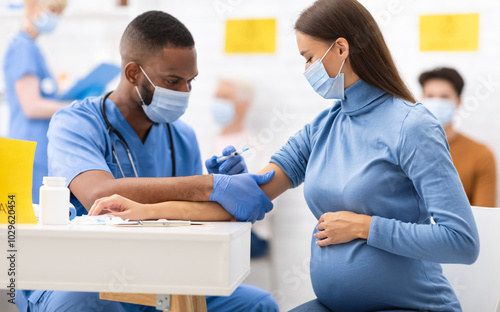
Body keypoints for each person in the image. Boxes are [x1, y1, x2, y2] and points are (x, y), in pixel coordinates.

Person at [91, 1, 480, 311]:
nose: (306, 69)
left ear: (341, 48)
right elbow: (247, 198)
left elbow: (461, 241)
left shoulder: (411, 126)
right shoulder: (323, 127)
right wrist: (144, 209)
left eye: (309, 57)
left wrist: (366, 227)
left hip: (408, 306)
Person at [15, 11, 278, 312]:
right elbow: (99, 194)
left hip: (154, 274)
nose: (185, 92)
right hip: (81, 276)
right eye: (173, 81)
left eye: (190, 82)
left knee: (258, 304)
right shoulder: (75, 122)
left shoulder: (182, 137)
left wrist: (223, 197)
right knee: (86, 303)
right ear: (132, 73)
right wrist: (209, 185)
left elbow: (191, 221)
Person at [3, 0, 68, 204]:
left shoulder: (32, 48)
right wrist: (74, 105)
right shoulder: (23, 49)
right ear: (32, 4)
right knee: (27, 226)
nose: (55, 17)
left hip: (37, 150)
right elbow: (32, 106)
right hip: (29, 152)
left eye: (59, 13)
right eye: (52, 10)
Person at [419, 67, 497, 207]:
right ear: (421, 100)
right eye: (430, 96)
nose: (437, 103)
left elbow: (484, 216)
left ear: (458, 102)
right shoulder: (403, 148)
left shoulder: (481, 155)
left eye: (444, 97)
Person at [210, 78, 270, 258]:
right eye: (216, 97)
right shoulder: (204, 141)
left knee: (207, 249)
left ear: (245, 104)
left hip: (250, 230)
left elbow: (268, 198)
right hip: (209, 225)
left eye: (225, 97)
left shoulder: (260, 147)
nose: (218, 102)